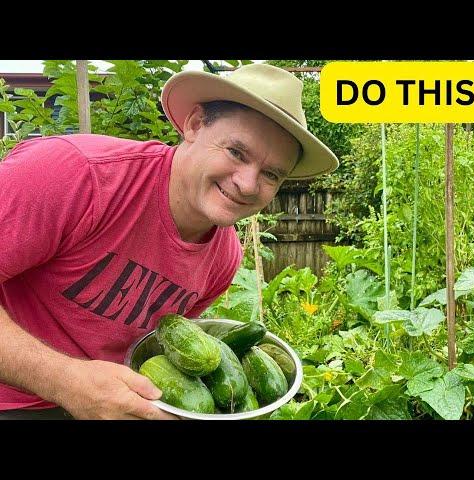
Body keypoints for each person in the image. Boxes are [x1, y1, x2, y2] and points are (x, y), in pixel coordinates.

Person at [0, 63, 338, 419]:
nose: (249, 184)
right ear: (194, 125)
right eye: (237, 152)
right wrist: (67, 382)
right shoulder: (72, 174)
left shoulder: (223, 260)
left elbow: (156, 350)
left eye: (271, 174)